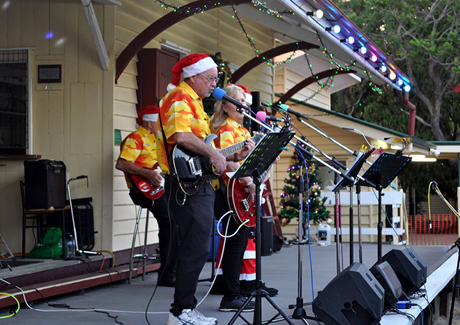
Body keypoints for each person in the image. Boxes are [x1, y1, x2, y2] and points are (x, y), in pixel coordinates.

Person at [156, 54, 255, 325]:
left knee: (197, 246)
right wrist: (213, 153)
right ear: (194, 76)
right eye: (211, 78)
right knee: (195, 246)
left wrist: (235, 154)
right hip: (184, 184)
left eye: (216, 78)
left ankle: (185, 308)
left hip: (198, 182)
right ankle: (180, 312)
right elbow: (181, 136)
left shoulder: (195, 101)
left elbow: (207, 152)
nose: (214, 83)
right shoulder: (180, 97)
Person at [210, 85, 277, 312]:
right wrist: (249, 184)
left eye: (245, 103)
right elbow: (227, 162)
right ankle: (230, 295)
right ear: (225, 106)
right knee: (235, 246)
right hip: (231, 193)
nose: (243, 107)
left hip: (241, 192)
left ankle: (238, 290)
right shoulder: (226, 129)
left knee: (239, 244)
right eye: (238, 102)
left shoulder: (243, 130)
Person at [116, 105, 178, 287]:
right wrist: (147, 173)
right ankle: (167, 274)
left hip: (163, 187)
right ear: (151, 123)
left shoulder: (160, 140)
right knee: (171, 222)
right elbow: (121, 163)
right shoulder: (136, 138)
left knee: (177, 221)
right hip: (142, 189)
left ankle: (172, 270)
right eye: (159, 122)